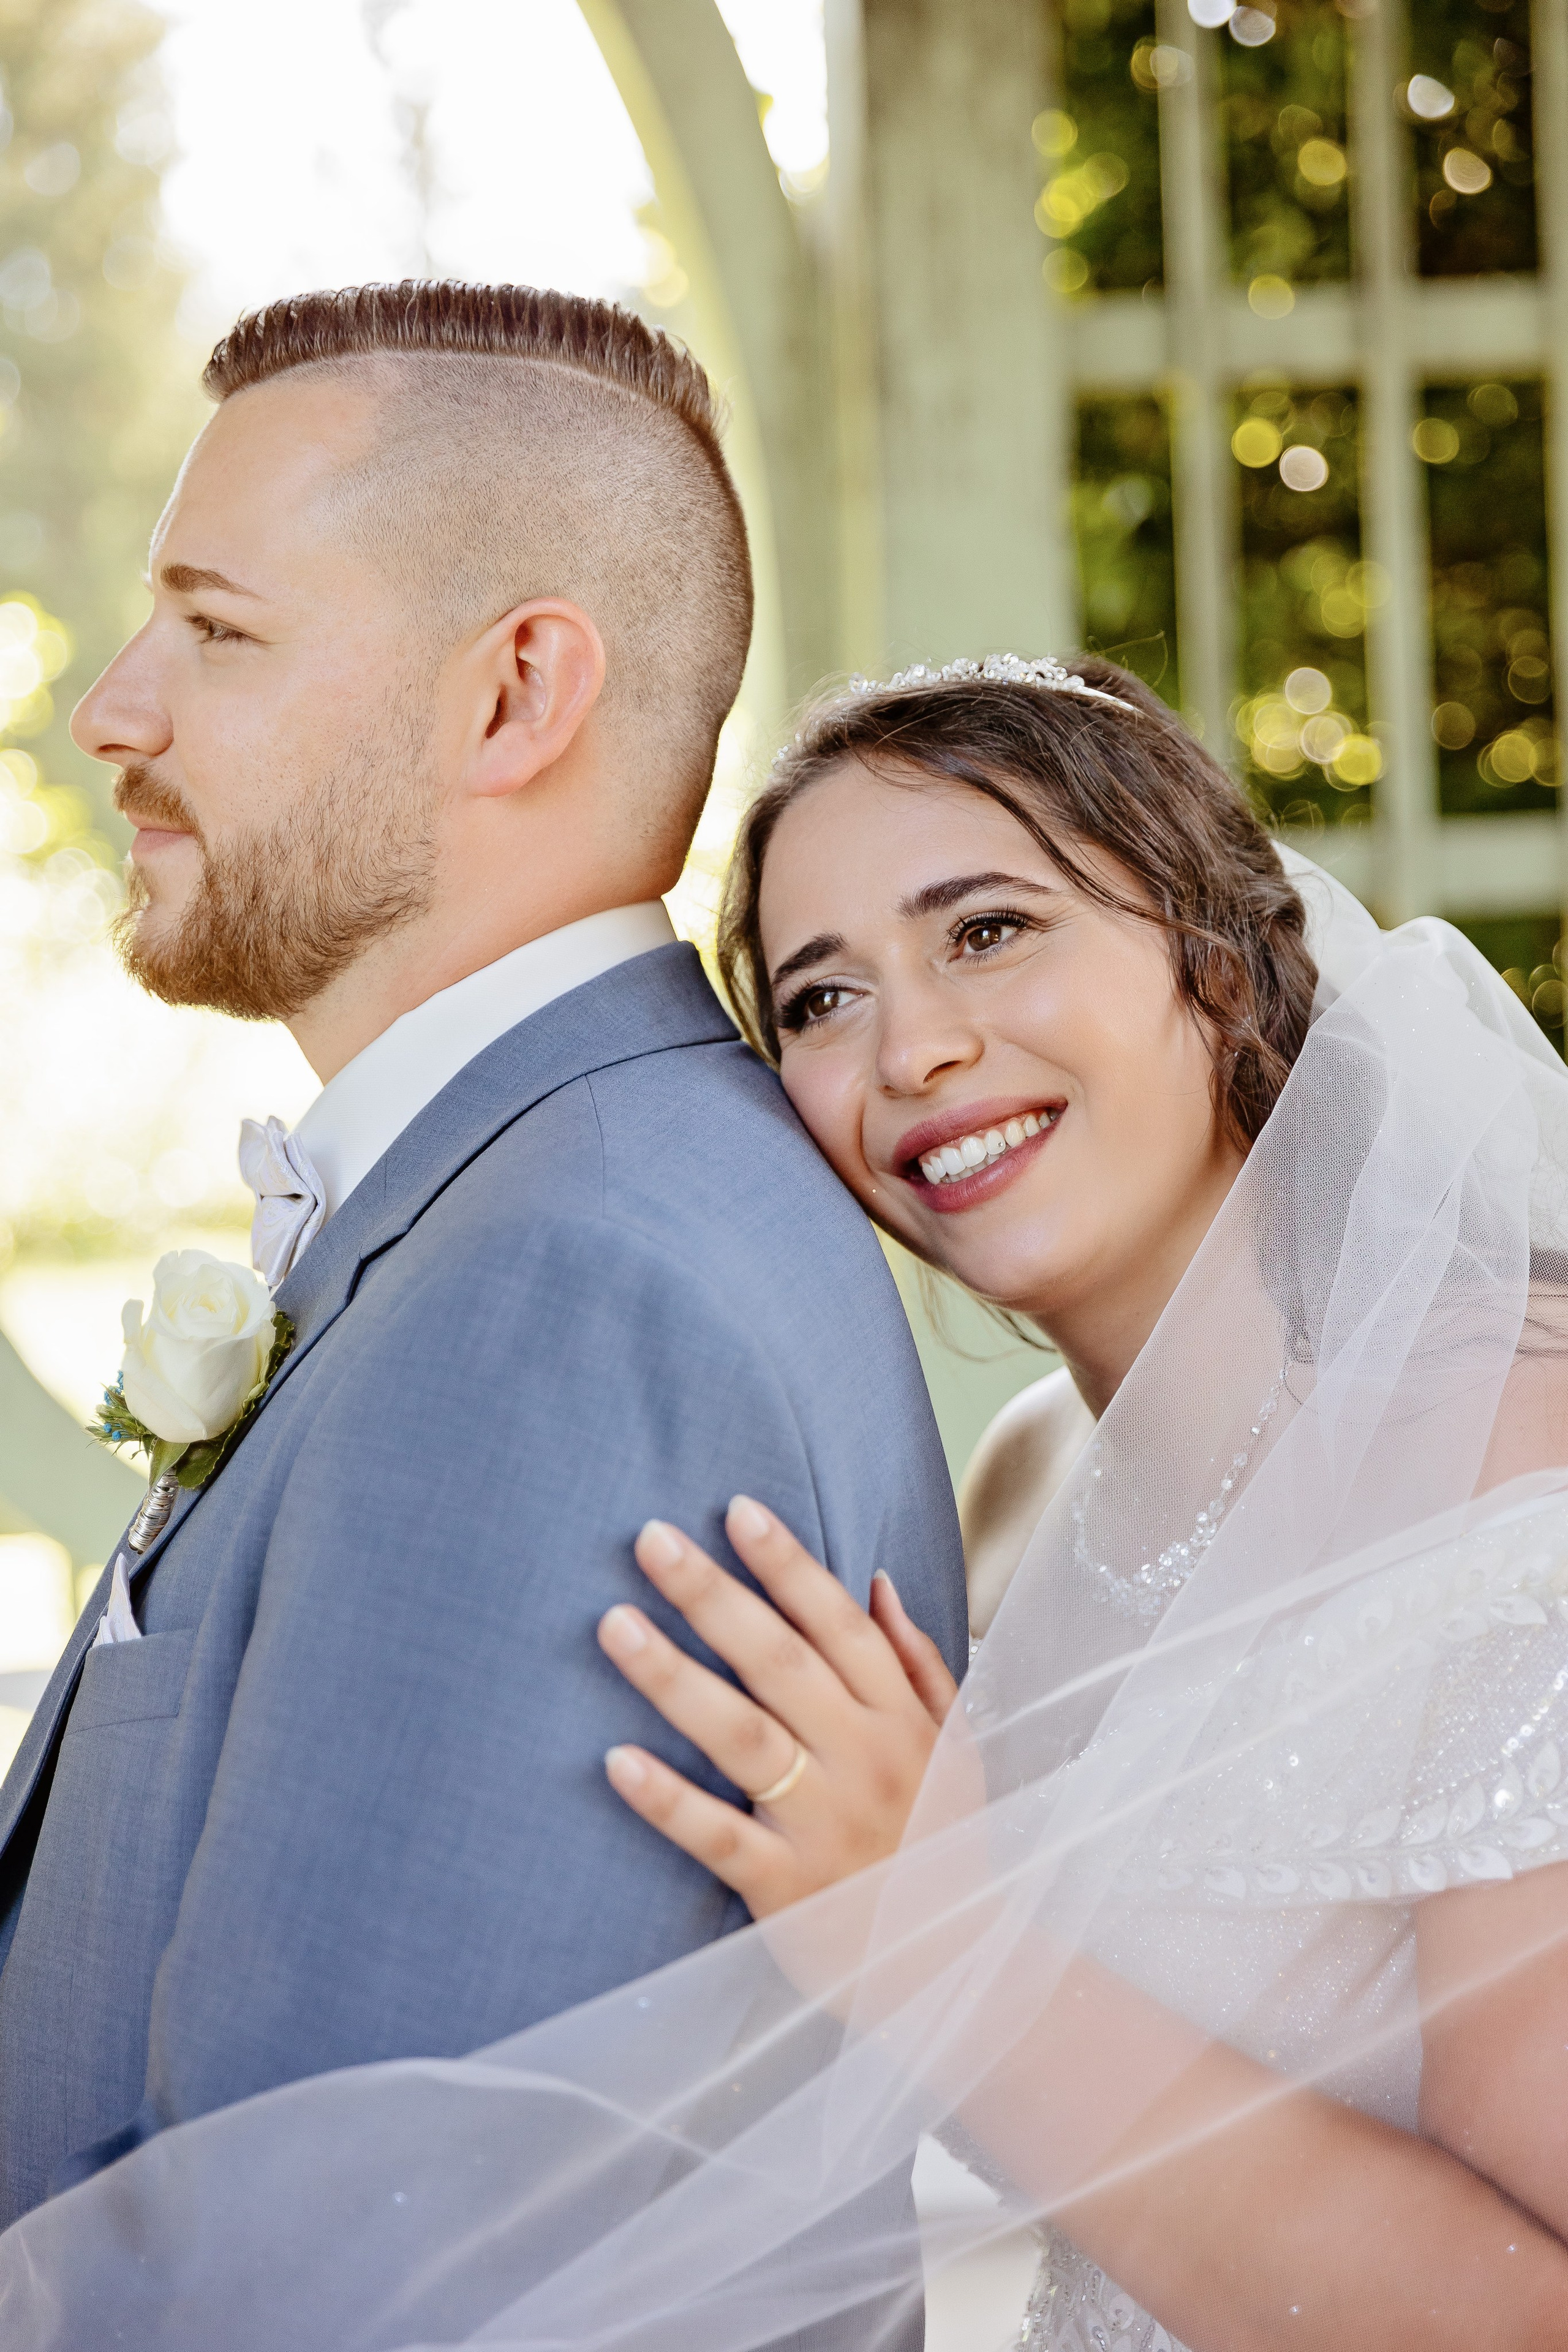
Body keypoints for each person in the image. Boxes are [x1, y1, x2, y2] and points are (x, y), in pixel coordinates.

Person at [4, 656, 1567, 2352]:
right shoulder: (1021, 1488)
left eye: (987, 930)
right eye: (820, 1000)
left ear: (1212, 942)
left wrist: (940, 1939)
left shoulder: (1516, 1470)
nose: (918, 1048)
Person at [0, 281, 968, 2272]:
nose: (114, 706)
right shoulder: (527, 1192)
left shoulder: (578, 1294)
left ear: (517, 694)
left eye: (219, 627)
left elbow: (347, 2269)